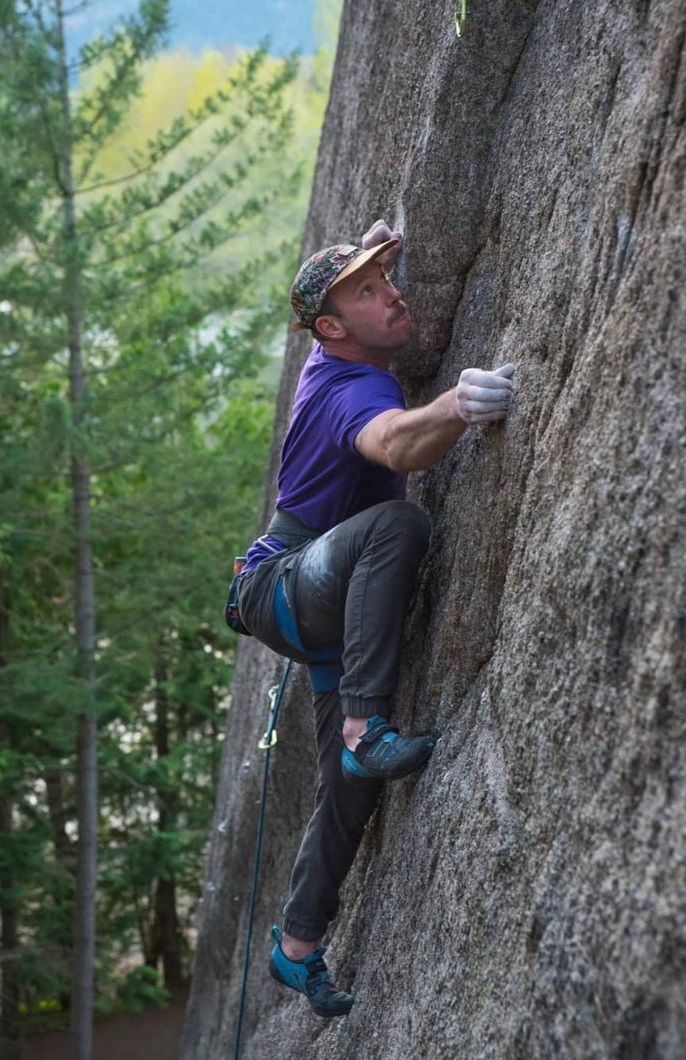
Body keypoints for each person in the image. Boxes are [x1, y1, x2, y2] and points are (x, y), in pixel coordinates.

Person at [234, 219, 515, 1018]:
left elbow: (343, 295)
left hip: (326, 591)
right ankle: (366, 728)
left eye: (386, 277)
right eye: (370, 290)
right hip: (292, 581)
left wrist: (369, 248)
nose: (393, 293)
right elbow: (393, 445)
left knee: (347, 796)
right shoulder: (351, 392)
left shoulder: (333, 348)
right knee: (400, 525)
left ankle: (295, 946)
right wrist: (457, 405)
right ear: (331, 328)